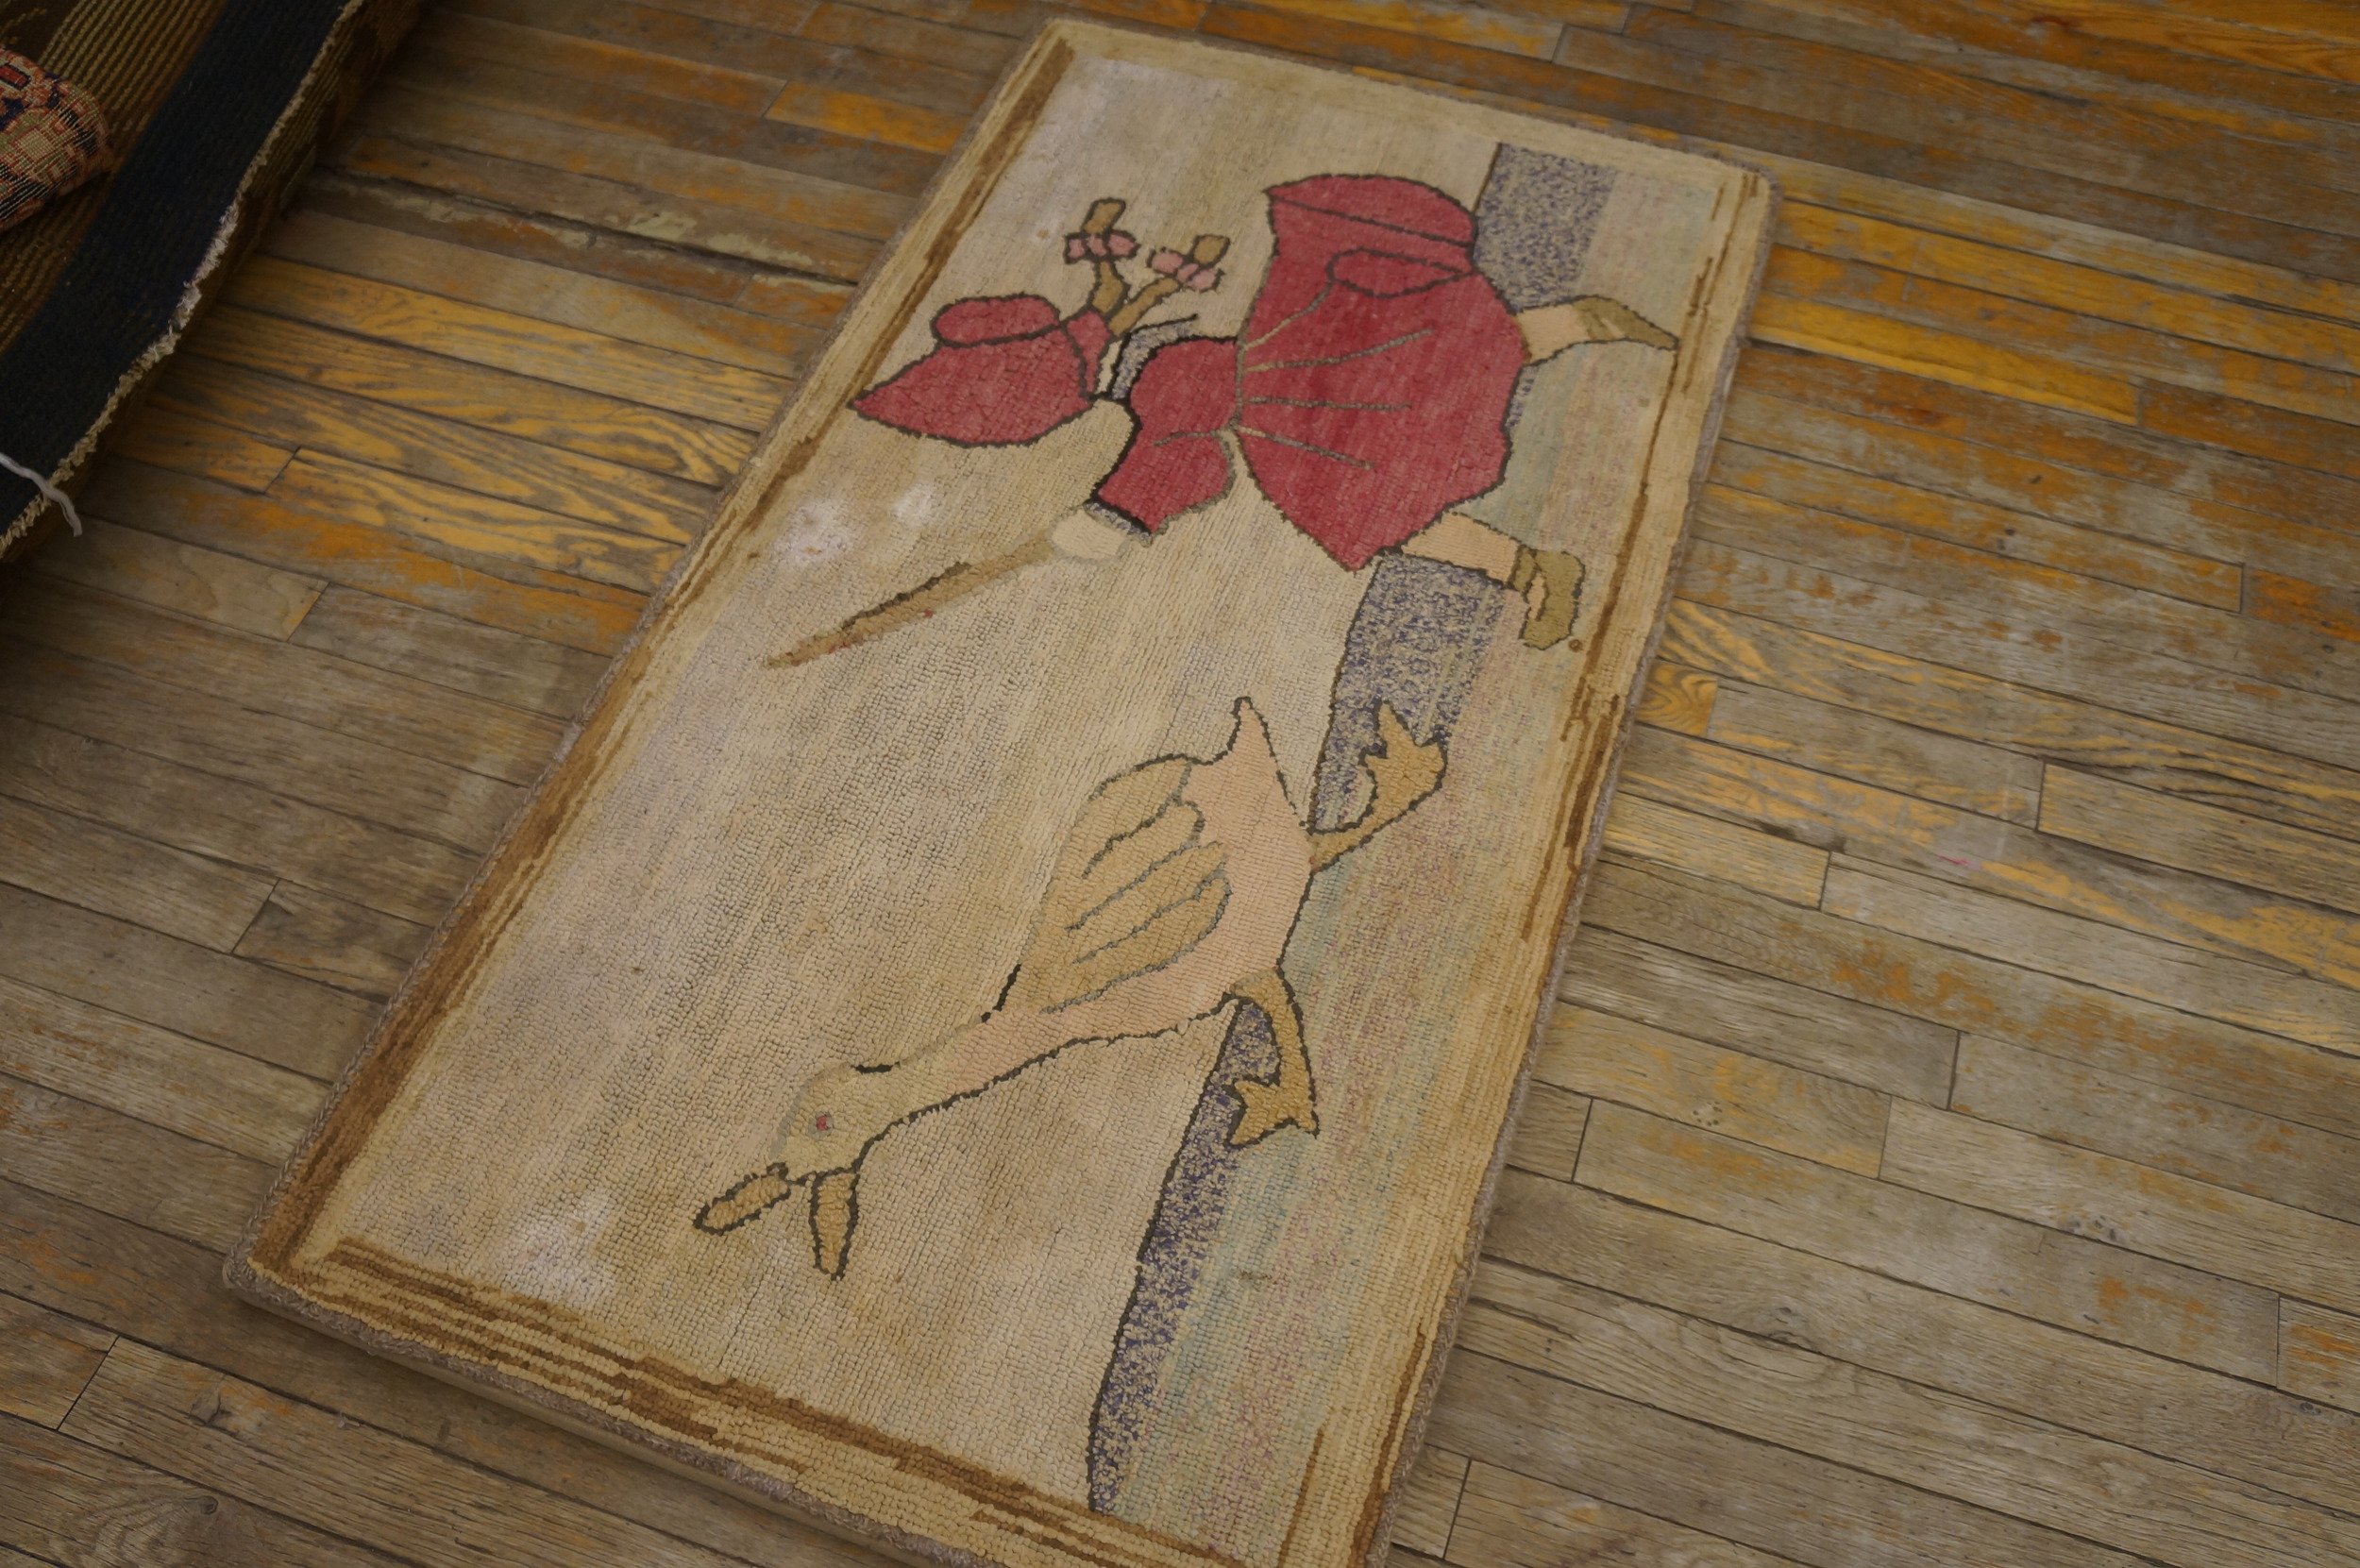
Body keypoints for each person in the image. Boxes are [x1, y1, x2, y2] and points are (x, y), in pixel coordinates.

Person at [853, 174, 1677, 650]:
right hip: (1288, 377)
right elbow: (1184, 443)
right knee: (1424, 356)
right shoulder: (1119, 343)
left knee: (1373, 498)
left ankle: (1527, 567)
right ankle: (1575, 326)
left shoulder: (1156, 377)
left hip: (1287, 412)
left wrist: (1109, 517)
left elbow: (1183, 455)